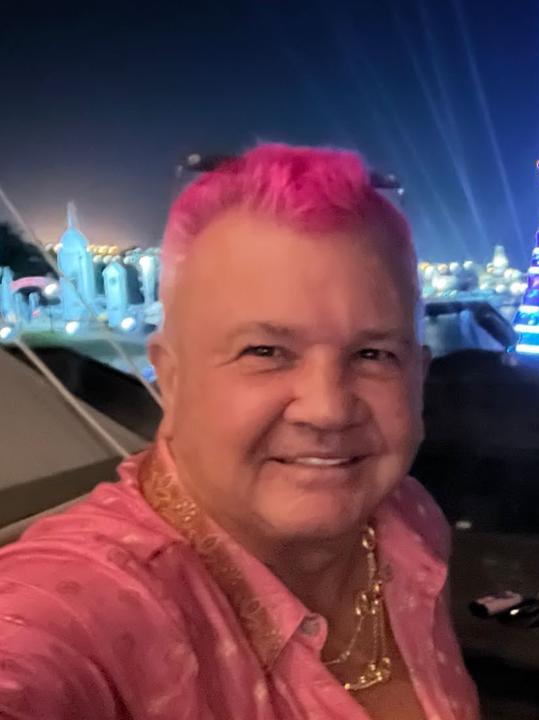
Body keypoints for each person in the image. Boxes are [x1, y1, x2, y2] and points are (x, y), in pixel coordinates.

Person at [0, 144, 479, 719]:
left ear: (418, 377)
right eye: (265, 351)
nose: (327, 410)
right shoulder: (93, 606)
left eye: (373, 354)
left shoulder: (410, 519)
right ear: (171, 381)